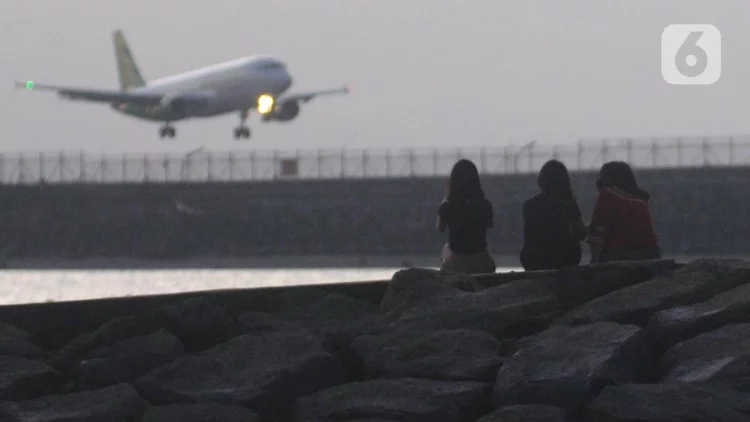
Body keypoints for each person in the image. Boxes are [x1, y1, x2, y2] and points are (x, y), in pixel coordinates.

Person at [586, 161, 661, 263]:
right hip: (650, 254)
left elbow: (598, 232)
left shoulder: (608, 194)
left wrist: (594, 260)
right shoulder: (641, 200)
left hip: (620, 255)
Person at [520, 159, 587, 271]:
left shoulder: (529, 205)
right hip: (563, 259)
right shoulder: (568, 203)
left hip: (533, 260)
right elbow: (580, 233)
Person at [436, 159, 496, 274]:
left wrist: (446, 200)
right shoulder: (484, 204)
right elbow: (490, 225)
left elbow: (440, 228)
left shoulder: (447, 206)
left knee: (446, 248)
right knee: (486, 248)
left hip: (456, 261)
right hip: (480, 260)